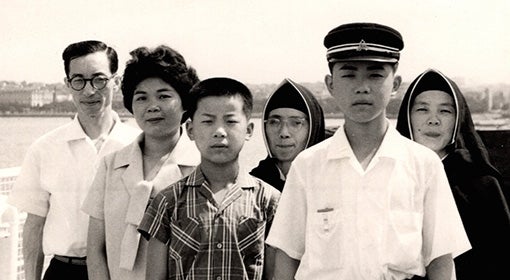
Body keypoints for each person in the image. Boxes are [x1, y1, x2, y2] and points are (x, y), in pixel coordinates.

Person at [266, 22, 471, 280]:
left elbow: (440, 261)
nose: (362, 87)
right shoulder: (308, 166)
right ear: (330, 84)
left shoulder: (424, 165)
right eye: (349, 74)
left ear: (395, 84)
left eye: (375, 75)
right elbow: (287, 257)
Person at [7, 40, 140, 280]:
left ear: (116, 82)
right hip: (64, 272)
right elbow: (34, 225)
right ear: (68, 84)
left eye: (99, 79)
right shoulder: (45, 148)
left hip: (124, 272)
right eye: (78, 80)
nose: (89, 91)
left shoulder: (138, 146)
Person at [137, 77, 280, 280]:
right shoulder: (168, 201)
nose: (219, 132)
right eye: (207, 121)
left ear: (248, 130)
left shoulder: (269, 200)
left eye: (230, 121)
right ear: (191, 130)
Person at [81, 45, 201, 280]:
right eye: (141, 97)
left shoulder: (202, 167)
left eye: (164, 96)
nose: (152, 106)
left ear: (185, 102)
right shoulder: (110, 166)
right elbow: (95, 249)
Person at [396, 68, 510, 280]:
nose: (433, 120)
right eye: (422, 110)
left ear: (458, 120)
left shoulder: (483, 186)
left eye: (445, 111)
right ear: (407, 117)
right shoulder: (390, 177)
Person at [250, 78, 326, 191]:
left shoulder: (332, 182)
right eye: (274, 122)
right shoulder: (251, 186)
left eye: (296, 123)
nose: (284, 133)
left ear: (313, 128)